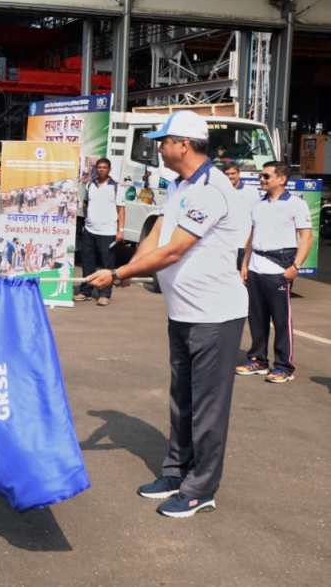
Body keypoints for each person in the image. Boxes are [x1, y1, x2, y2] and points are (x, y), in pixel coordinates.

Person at [86, 110, 248, 518]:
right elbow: (158, 233)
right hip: (183, 311)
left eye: (163, 140)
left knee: (207, 408)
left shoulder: (211, 190)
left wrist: (119, 271)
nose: (158, 147)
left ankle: (201, 488)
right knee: (182, 400)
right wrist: (126, 272)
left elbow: (176, 250)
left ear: (184, 145)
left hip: (215, 315)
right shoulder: (180, 187)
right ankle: (176, 471)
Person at [235, 161, 313, 384]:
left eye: (266, 176)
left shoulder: (296, 204)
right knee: (256, 318)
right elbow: (251, 236)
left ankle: (283, 366)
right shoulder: (258, 204)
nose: (262, 180)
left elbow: (306, 237)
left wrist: (295, 267)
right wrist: (244, 266)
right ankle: (258, 360)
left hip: (279, 267)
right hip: (256, 267)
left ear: (281, 179)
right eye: (261, 176)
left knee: (281, 320)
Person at [75, 158, 125, 306]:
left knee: (107, 264)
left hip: (108, 232)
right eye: (99, 167)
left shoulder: (116, 187)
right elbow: (85, 204)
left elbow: (121, 209)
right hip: (90, 230)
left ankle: (104, 294)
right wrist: (87, 220)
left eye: (104, 167)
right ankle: (86, 291)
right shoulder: (90, 184)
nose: (101, 170)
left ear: (109, 169)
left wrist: (120, 230)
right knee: (87, 262)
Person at [222, 161, 255, 270]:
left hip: (244, 245)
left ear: (239, 173)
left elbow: (256, 219)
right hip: (225, 245)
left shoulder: (251, 192)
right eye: (227, 174)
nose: (230, 176)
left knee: (243, 280)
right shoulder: (218, 192)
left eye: (233, 173)